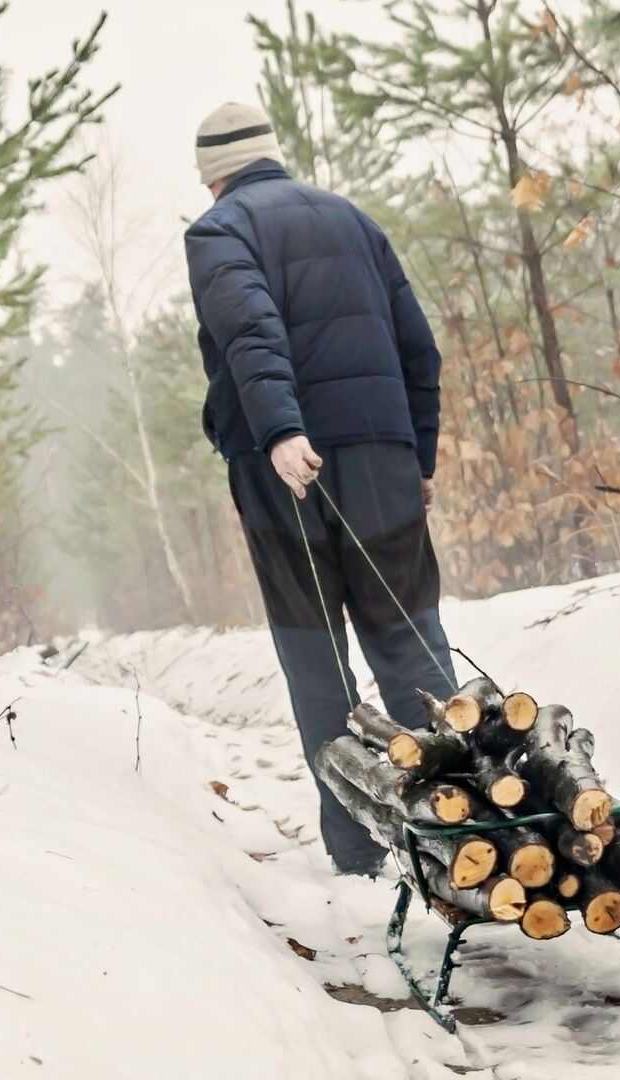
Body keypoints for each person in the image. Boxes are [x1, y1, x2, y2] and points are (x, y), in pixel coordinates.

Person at [184, 102, 457, 875]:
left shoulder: (219, 231)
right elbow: (419, 350)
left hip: (284, 469)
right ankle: (467, 819)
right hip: (382, 453)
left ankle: (358, 852)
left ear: (213, 177)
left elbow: (249, 329)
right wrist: (420, 457)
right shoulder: (353, 220)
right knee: (409, 635)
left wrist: (278, 430)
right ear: (272, 155)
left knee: (317, 656)